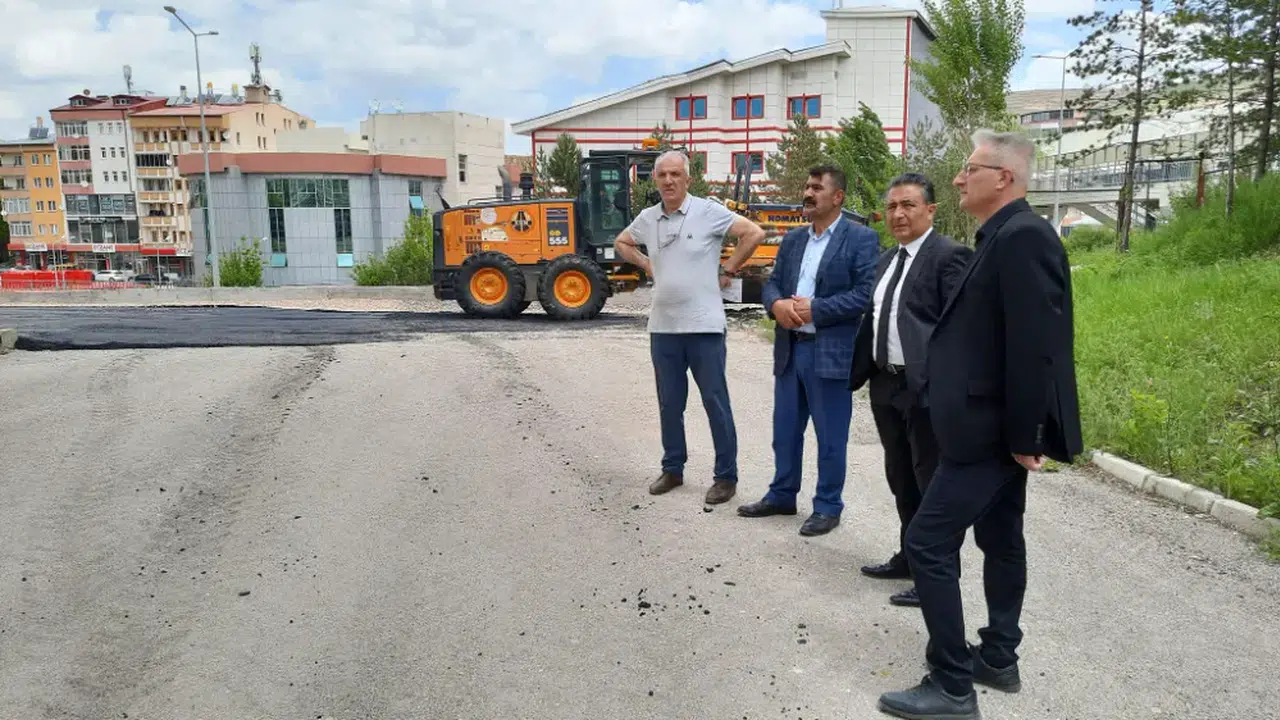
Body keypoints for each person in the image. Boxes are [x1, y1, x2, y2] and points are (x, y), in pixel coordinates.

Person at [876, 130, 1083, 720]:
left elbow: (1038, 345)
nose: (959, 178)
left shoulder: (1024, 238)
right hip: (987, 426)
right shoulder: (1000, 236)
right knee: (1000, 537)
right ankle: (997, 659)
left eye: (970, 169)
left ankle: (951, 685)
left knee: (926, 542)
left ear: (1004, 178)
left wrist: (1027, 436)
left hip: (989, 433)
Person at [614, 150, 767, 506]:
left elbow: (753, 233)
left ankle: (726, 477)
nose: (668, 181)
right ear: (655, 180)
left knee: (715, 402)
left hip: (704, 327)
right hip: (663, 328)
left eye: (675, 174)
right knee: (669, 404)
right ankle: (672, 469)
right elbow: (622, 242)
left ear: (687, 179)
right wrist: (646, 263)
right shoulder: (648, 218)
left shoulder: (707, 212)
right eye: (662, 175)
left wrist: (728, 269)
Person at [849, 173, 972, 607]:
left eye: (908, 205)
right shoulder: (886, 260)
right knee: (901, 476)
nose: (898, 214)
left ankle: (936, 574)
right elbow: (875, 320)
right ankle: (909, 556)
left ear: (931, 210)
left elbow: (961, 329)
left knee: (931, 482)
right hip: (887, 385)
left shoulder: (950, 256)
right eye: (892, 207)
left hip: (927, 389)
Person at [737, 164, 880, 536]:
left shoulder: (860, 239)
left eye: (817, 187)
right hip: (791, 350)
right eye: (806, 186)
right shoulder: (794, 239)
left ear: (838, 196)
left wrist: (817, 309)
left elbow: (865, 294)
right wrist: (776, 305)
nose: (808, 193)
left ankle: (828, 506)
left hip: (829, 351)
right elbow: (772, 283)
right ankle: (782, 495)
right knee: (785, 431)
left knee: (830, 437)